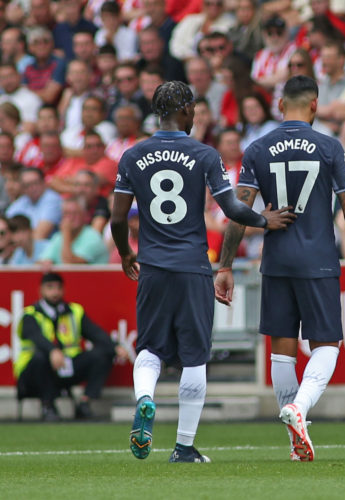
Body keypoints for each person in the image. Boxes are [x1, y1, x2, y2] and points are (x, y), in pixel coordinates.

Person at [111, 81, 295, 463]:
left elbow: (116, 218)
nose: (195, 116)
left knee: (149, 348)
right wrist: (264, 220)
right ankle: (183, 447)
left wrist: (127, 253)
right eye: (192, 109)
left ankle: (145, 399)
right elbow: (230, 208)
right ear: (182, 110)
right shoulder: (204, 154)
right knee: (194, 358)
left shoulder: (132, 155)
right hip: (193, 267)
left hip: (153, 267)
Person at [214, 76, 345, 462]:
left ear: (281, 106)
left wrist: (226, 265)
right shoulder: (329, 146)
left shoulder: (258, 148)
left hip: (277, 260)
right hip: (318, 258)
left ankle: (294, 444)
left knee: (282, 352)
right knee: (327, 345)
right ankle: (299, 408)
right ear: (314, 106)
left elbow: (237, 210)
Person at [14, 272, 128, 421]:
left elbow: (94, 332)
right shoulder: (30, 314)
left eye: (58, 288)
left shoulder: (74, 311)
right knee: (40, 358)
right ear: (41, 290)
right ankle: (47, 405)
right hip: (33, 373)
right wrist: (52, 351)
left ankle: (85, 403)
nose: (55, 292)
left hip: (66, 366)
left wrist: (115, 346)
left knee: (104, 353)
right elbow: (37, 337)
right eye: (50, 287)